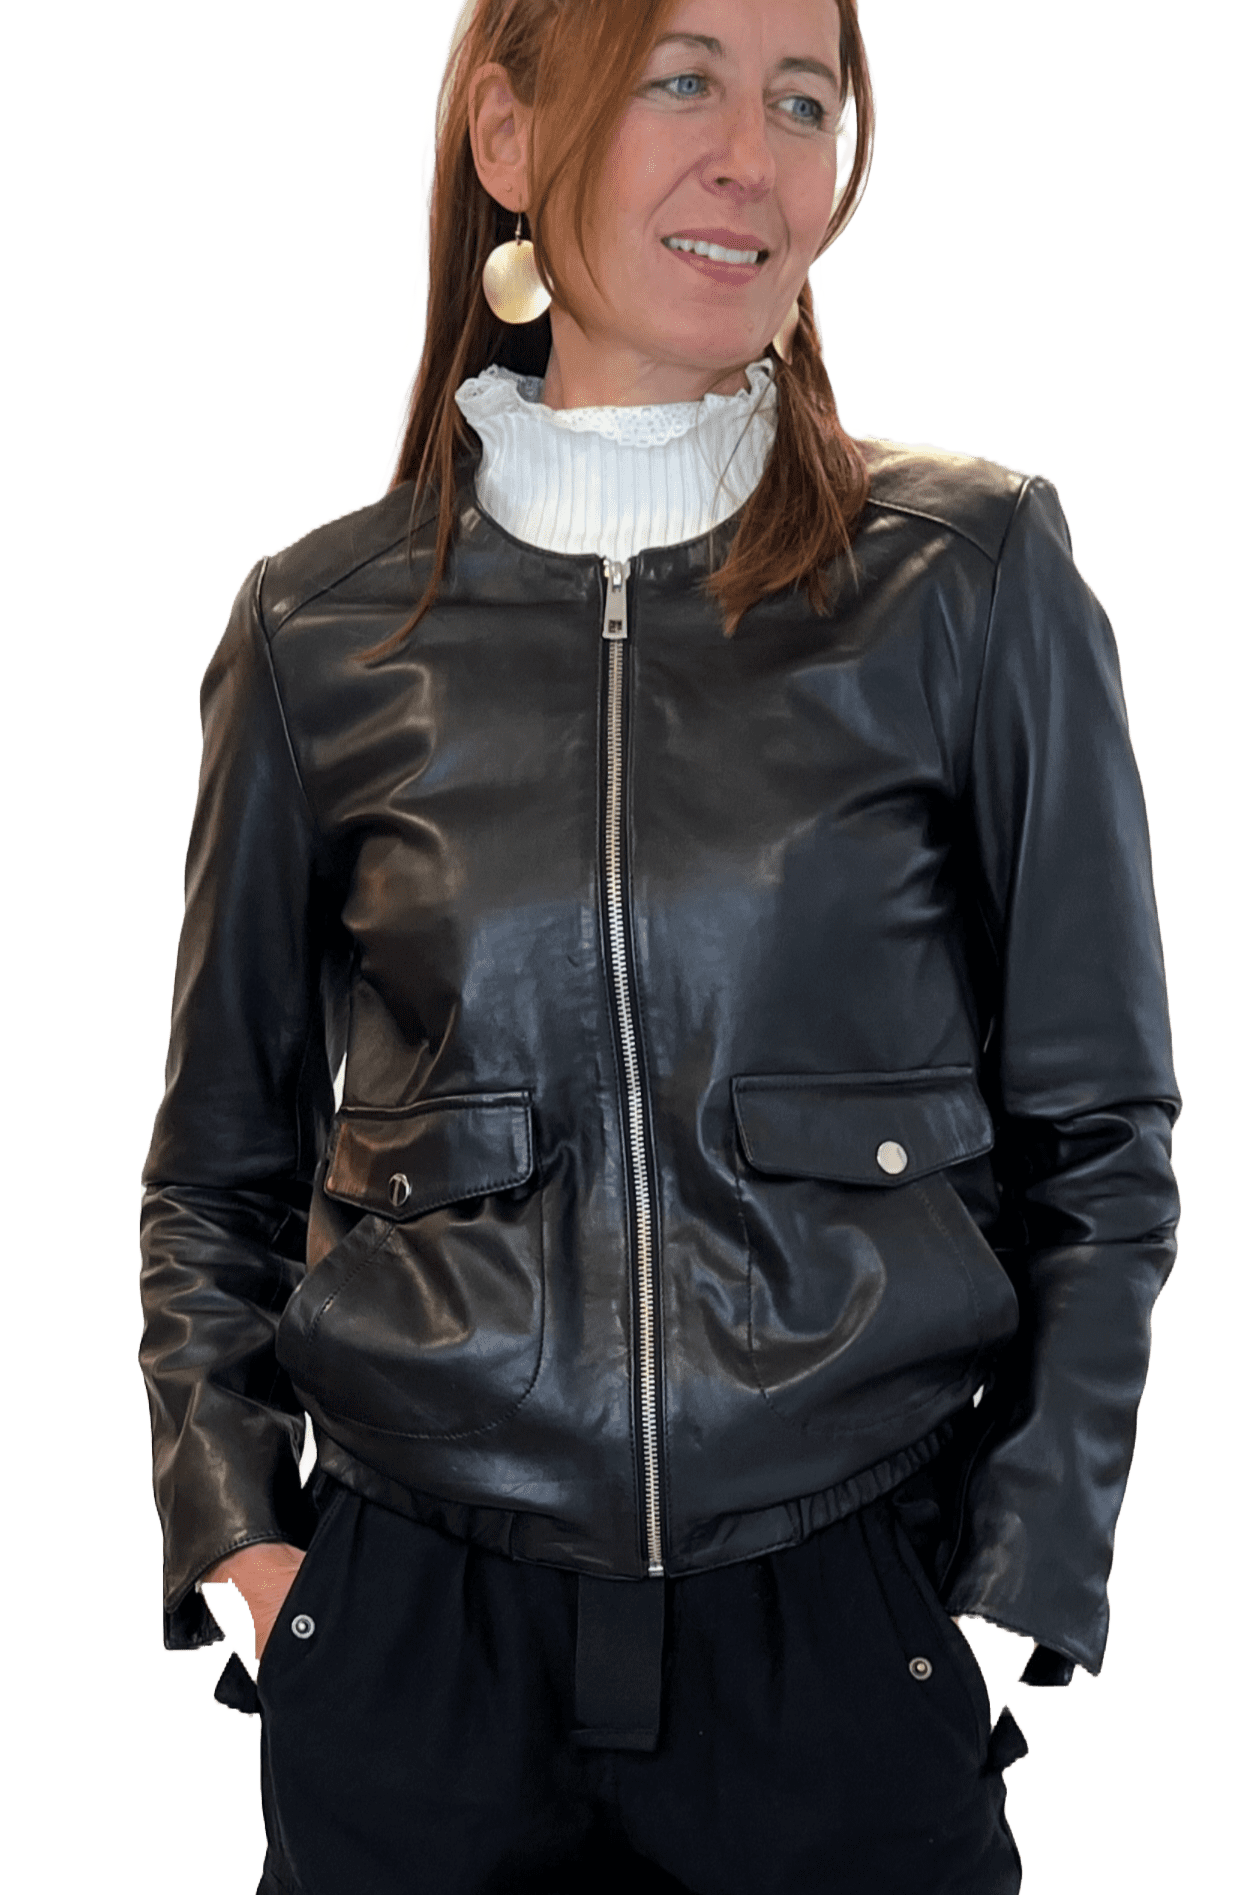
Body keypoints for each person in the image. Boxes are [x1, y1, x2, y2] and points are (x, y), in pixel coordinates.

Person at [137, 0, 1181, 1889]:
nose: (750, 159)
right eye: (679, 79)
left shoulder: (968, 577)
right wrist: (245, 1548)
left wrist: (1012, 1573)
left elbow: (1100, 1142)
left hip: (842, 1614)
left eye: (803, 99)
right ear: (508, 138)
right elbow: (214, 1174)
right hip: (416, 1639)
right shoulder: (318, 630)